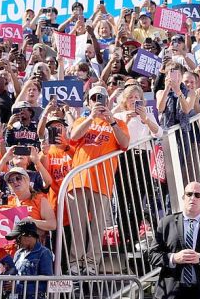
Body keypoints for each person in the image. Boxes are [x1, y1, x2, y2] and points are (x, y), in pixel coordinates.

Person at [65, 85, 130, 275]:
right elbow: (73, 137)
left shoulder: (117, 122)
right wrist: (91, 118)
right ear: (88, 102)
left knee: (97, 227)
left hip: (102, 182)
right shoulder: (81, 120)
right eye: (94, 98)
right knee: (78, 227)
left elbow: (125, 144)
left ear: (108, 101)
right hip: (79, 180)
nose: (97, 101)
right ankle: (76, 263)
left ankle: (92, 263)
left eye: (101, 98)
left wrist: (112, 122)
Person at [149, 181, 200, 299]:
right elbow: (152, 255)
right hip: (172, 291)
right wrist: (174, 258)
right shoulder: (166, 223)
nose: (193, 198)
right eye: (189, 194)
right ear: (183, 197)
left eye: (197, 195)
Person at [4, 219, 54, 299]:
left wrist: (18, 288)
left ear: (29, 235)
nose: (16, 242)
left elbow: (47, 284)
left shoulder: (44, 253)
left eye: (18, 238)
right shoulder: (18, 253)